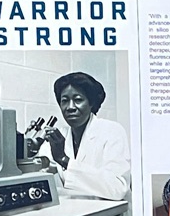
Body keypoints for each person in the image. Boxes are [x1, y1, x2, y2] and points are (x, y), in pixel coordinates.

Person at [45, 71, 131, 204]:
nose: (70, 107)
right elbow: (40, 168)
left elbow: (118, 188)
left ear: (91, 103)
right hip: (76, 210)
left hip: (110, 212)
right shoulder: (60, 135)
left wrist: (64, 160)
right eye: (65, 101)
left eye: (78, 100)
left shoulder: (112, 131)